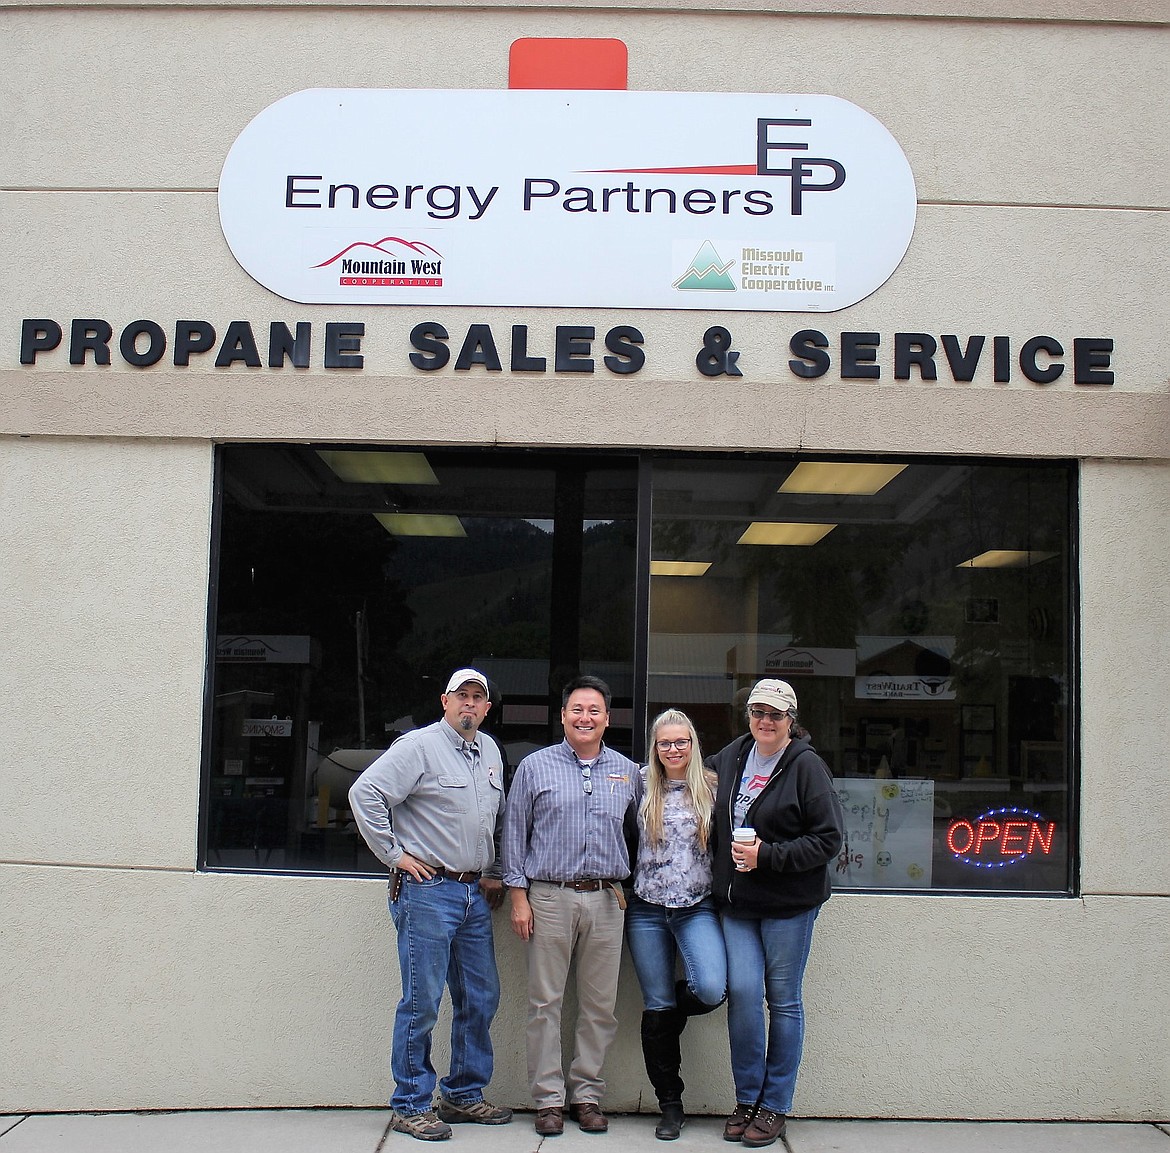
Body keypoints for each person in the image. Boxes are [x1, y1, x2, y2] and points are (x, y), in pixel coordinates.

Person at [349, 668, 512, 1142]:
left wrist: (490, 872)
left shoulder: (491, 753)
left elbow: (489, 820)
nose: (469, 704)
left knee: (481, 998)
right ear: (445, 701)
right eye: (461, 696)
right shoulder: (417, 747)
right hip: (427, 893)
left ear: (486, 709)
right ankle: (410, 1104)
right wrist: (395, 854)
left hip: (472, 895)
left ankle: (462, 1094)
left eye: (478, 698)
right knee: (422, 1003)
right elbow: (365, 793)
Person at [501, 674, 642, 1137]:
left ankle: (587, 1095)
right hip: (548, 898)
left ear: (608, 719)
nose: (585, 717)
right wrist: (518, 896)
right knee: (545, 1002)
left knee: (600, 1005)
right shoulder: (535, 767)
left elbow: (645, 833)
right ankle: (548, 1100)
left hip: (607, 898)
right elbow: (513, 834)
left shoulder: (627, 771)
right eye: (577, 709)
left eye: (594, 710)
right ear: (563, 716)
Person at [708, 679, 844, 1149]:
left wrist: (769, 855)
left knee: (782, 1000)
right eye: (758, 711)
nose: (766, 721)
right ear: (747, 714)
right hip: (738, 904)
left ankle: (775, 1105)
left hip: (788, 905)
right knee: (744, 994)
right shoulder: (731, 756)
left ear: (792, 720)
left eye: (776, 714)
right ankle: (747, 1099)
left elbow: (829, 839)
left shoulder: (807, 766)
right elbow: (688, 784)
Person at [626, 708, 727, 1141]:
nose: (673, 749)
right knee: (656, 1005)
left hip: (696, 907)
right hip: (646, 908)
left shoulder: (713, 786)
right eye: (665, 743)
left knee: (710, 988)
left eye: (681, 742)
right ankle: (670, 1103)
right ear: (655, 747)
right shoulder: (640, 784)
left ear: (693, 744)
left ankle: (669, 1019)